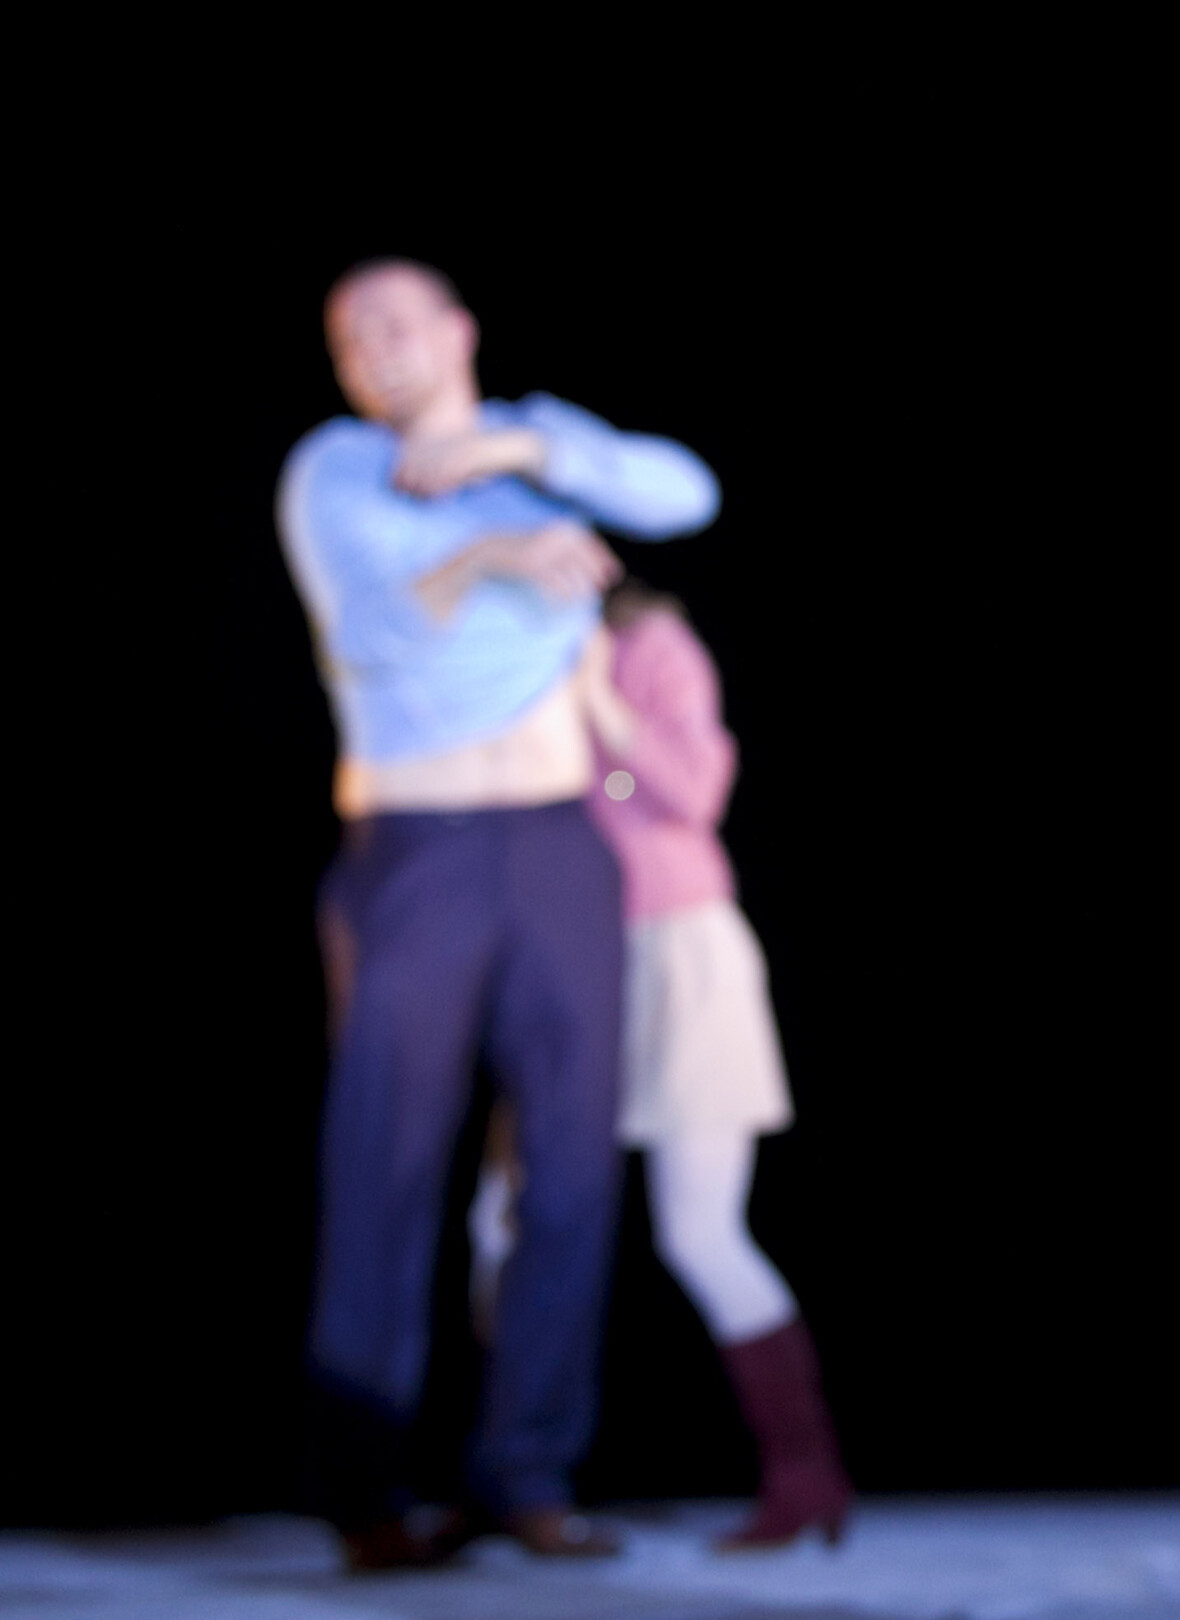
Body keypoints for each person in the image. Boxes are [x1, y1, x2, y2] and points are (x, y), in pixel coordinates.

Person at [279, 258, 720, 1570]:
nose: (373, 345)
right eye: (349, 334)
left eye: (395, 320)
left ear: (458, 331)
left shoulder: (538, 449)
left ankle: (526, 1472)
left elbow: (685, 493)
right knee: (388, 1158)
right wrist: (493, 553)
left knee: (572, 1163)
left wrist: (526, 454)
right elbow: (372, 631)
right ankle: (366, 1491)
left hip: (557, 839)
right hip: (417, 843)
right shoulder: (339, 468)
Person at [471, 580, 854, 1549]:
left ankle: (804, 1472)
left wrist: (602, 707)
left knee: (699, 1232)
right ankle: (507, 1474)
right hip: (572, 960)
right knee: (505, 1214)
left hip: (678, 950)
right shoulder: (504, 662)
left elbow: (693, 794)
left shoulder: (650, 647)